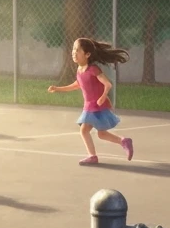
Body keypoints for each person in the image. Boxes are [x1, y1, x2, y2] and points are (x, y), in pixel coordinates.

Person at [47, 37, 134, 165]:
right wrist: (58, 88)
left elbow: (108, 84)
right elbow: (78, 84)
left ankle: (92, 156)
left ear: (87, 54)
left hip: (96, 106)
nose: (73, 53)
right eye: (73, 50)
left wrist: (103, 96)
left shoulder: (93, 69)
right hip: (90, 106)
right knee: (102, 134)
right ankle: (124, 141)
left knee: (84, 130)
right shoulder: (79, 70)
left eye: (77, 50)